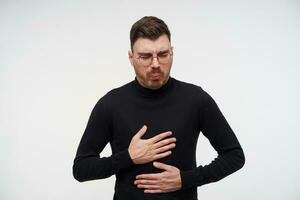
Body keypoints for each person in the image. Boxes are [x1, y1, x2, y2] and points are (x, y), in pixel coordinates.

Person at [73, 16, 245, 200]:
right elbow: (81, 169)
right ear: (131, 57)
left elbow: (234, 156)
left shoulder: (196, 99)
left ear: (172, 52)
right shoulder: (111, 104)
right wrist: (129, 157)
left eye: (163, 54)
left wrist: (185, 179)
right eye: (145, 56)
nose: (155, 64)